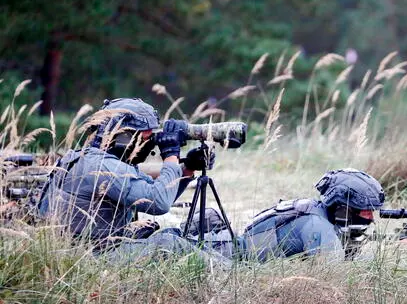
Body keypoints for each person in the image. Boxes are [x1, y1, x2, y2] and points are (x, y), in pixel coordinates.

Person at [38, 97, 212, 254]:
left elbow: (156, 191)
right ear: (125, 136)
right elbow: (159, 203)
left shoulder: (92, 158)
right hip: (91, 256)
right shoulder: (105, 167)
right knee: (171, 244)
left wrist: (187, 168)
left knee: (191, 228)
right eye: (146, 138)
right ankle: (229, 263)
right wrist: (170, 155)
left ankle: (234, 248)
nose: (150, 143)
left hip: (87, 249)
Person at [187, 168, 385, 262]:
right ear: (344, 208)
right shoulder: (319, 227)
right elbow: (334, 276)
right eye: (365, 211)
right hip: (223, 258)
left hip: (228, 250)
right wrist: (377, 258)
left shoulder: (314, 210)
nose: (369, 218)